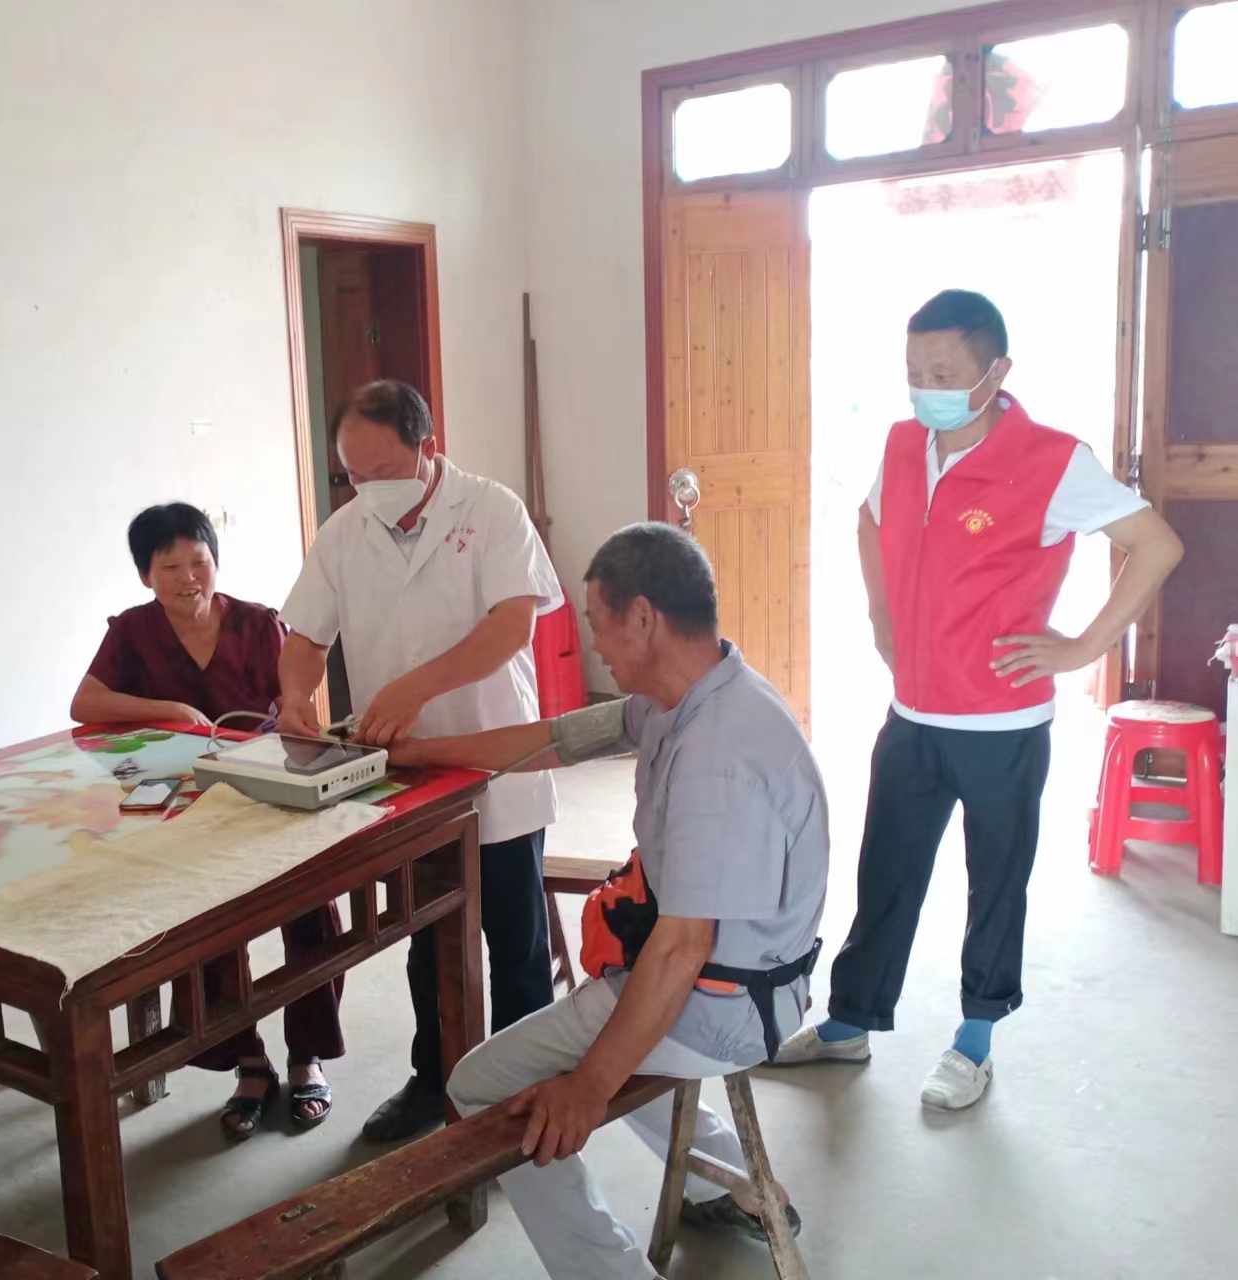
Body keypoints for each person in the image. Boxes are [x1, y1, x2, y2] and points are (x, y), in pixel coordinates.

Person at [774, 290, 1185, 1110]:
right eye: (914, 371)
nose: (925, 389)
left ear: (997, 372)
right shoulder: (903, 443)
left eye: (944, 373)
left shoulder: (1052, 460)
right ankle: (849, 1023)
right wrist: (881, 617)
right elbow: (868, 522)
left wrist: (1084, 648)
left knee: (995, 883)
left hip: (1004, 724)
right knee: (886, 872)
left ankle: (974, 1042)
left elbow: (1156, 545)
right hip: (913, 715)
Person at [392, 522, 828, 1279]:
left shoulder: (717, 756)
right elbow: (551, 741)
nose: (593, 644)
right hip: (737, 978)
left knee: (482, 1084)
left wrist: (589, 1090)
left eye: (597, 621)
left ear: (644, 618)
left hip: (722, 1001)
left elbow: (682, 949)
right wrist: (421, 754)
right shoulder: (681, 699)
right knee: (599, 1029)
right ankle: (726, 1185)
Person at [277, 378, 564, 1143]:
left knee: (515, 941)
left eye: (382, 470)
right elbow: (304, 635)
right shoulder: (344, 532)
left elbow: (512, 626)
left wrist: (417, 685)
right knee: (428, 936)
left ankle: (524, 1090)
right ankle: (434, 1080)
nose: (368, 488)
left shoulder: (491, 510)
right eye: (353, 474)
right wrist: (296, 696)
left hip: (494, 758)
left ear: (426, 448)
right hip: (407, 774)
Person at [70, 502, 343, 1136]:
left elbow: (297, 705)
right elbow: (85, 702)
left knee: (314, 913)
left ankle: (306, 1058)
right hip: (185, 809)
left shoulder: (258, 623)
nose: (187, 577)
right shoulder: (132, 631)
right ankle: (250, 1063)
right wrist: (167, 708)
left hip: (267, 798)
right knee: (207, 927)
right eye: (169, 567)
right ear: (146, 575)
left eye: (199, 562)